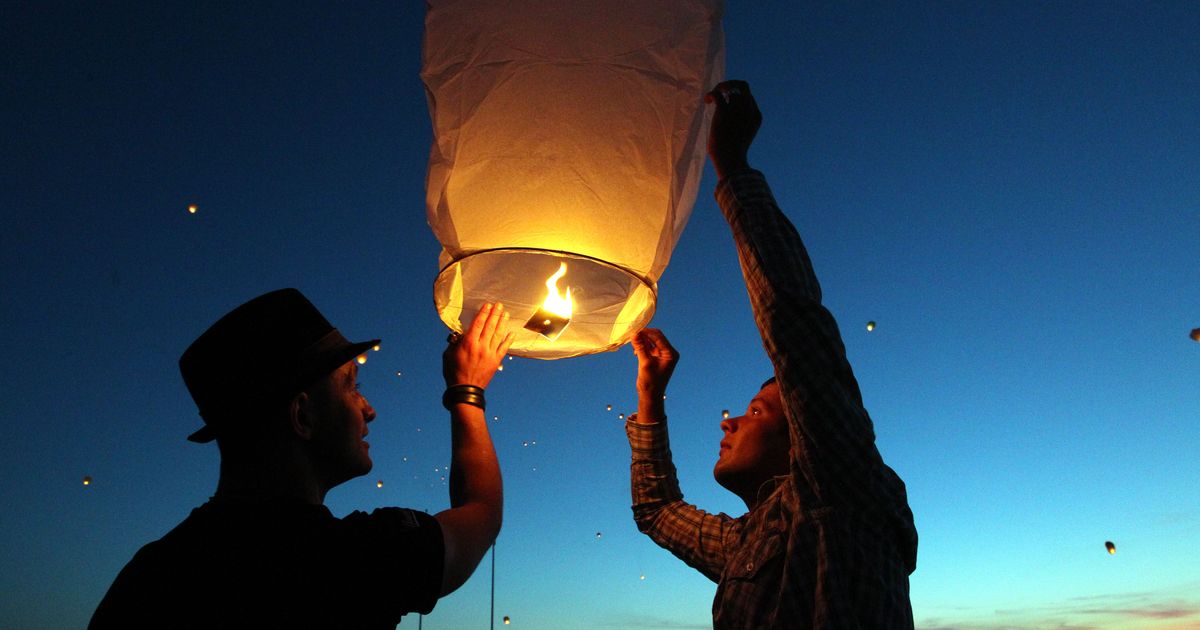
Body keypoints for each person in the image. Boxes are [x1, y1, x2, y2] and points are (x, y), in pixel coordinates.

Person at [626, 81, 918, 628]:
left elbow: (797, 332)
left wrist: (733, 169)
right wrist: (650, 396)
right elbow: (657, 510)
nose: (730, 420)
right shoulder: (747, 540)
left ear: (804, 441)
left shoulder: (841, 491)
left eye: (758, 410)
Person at [91, 289, 512, 628]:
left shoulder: (150, 577)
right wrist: (466, 389)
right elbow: (482, 512)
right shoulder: (350, 563)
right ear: (303, 415)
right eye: (351, 387)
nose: (368, 408)